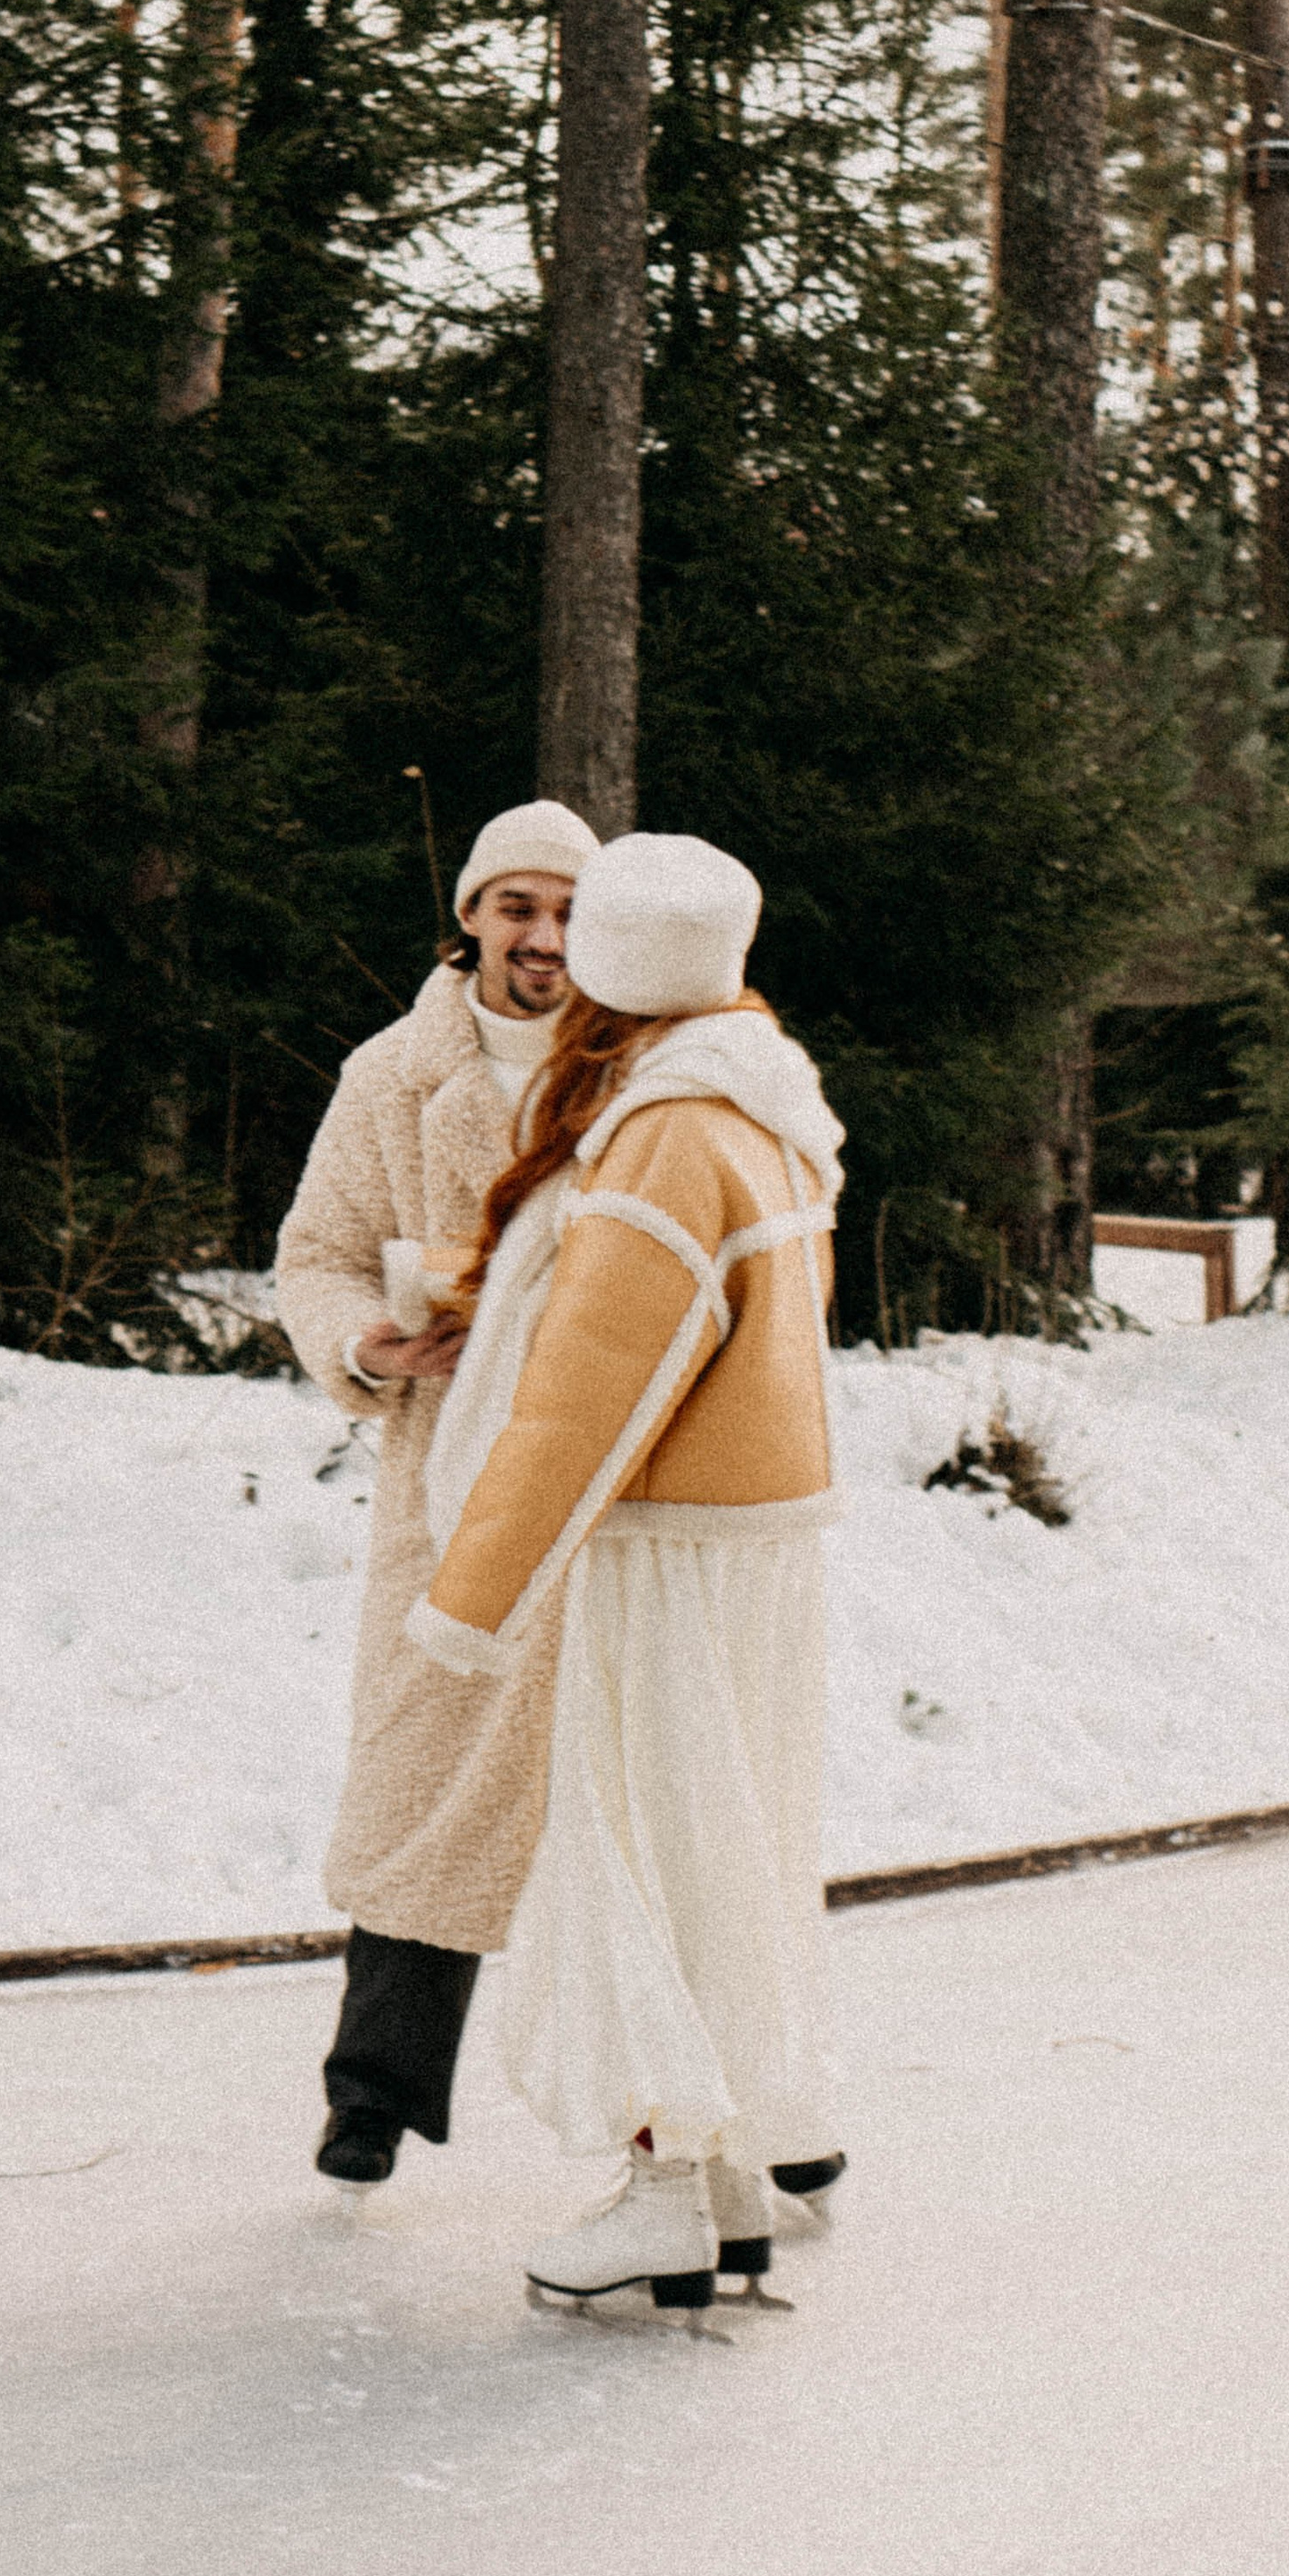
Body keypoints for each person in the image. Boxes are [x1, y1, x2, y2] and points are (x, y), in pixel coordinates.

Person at [409, 831, 846, 2318]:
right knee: (721, 1860)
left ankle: (667, 2189)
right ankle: (722, 2182)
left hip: (665, 1563)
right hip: (758, 1553)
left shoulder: (668, 1134)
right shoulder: (767, 1102)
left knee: (636, 1865)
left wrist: (466, 1602)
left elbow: (588, 1396)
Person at [275, 797, 599, 2181]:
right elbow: (319, 1251)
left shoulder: (641, 1069)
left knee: (639, 1787)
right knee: (426, 1774)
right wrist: (367, 1342)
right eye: (518, 907)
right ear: (470, 915)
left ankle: (720, 2099)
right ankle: (374, 2092)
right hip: (450, 1469)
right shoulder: (390, 1075)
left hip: (606, 1473)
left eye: (572, 911)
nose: (544, 938)